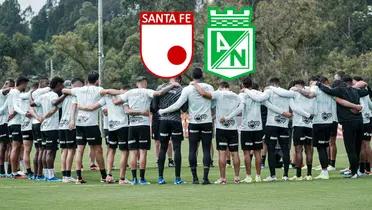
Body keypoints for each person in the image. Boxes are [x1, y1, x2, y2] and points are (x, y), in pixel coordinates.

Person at [110, 76, 176, 185]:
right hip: (143, 126)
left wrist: (126, 105)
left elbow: (116, 101)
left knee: (133, 153)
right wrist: (172, 85)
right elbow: (159, 93)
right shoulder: (147, 91)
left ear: (137, 83)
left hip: (132, 126)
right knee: (143, 152)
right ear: (145, 82)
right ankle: (142, 179)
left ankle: (134, 179)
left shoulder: (129, 93)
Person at [159, 68, 215, 185]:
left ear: (192, 76)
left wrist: (163, 111)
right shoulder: (209, 87)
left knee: (192, 149)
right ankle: (205, 178)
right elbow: (213, 103)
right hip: (207, 122)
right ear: (202, 75)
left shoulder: (188, 89)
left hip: (194, 123)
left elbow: (178, 105)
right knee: (206, 149)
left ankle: (195, 178)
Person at [79, 85, 131, 184]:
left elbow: (92, 107)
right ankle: (122, 179)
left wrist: (80, 106)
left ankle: (108, 175)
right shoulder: (124, 96)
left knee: (111, 150)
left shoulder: (106, 97)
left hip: (111, 127)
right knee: (124, 152)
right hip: (123, 127)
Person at [62, 72, 107, 184]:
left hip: (80, 124)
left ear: (87, 80)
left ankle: (78, 177)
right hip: (91, 124)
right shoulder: (99, 89)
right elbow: (97, 105)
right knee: (98, 150)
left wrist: (73, 118)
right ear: (97, 80)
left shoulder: (78, 90)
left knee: (79, 150)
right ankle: (104, 176)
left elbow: (64, 91)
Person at [225, 77, 268, 183]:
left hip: (246, 128)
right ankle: (258, 176)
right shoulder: (258, 93)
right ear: (251, 84)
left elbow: (239, 108)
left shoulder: (242, 94)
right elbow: (266, 103)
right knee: (258, 152)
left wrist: (228, 117)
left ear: (243, 85)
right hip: (258, 127)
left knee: (247, 153)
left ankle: (248, 176)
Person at [154, 76, 186, 185]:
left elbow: (154, 105)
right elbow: (185, 108)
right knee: (177, 149)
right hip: (176, 121)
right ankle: (177, 178)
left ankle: (160, 178)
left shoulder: (160, 87)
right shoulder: (181, 90)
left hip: (163, 121)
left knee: (163, 148)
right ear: (180, 80)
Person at [261, 78, 294, 182]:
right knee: (285, 149)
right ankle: (285, 175)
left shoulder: (268, 91)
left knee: (271, 149)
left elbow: (262, 101)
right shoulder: (286, 92)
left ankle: (273, 175)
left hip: (271, 124)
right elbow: (292, 105)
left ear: (270, 84)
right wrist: (284, 113)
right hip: (284, 124)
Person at [35, 77, 66, 182]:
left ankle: (46, 175)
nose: (62, 88)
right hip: (51, 127)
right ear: (57, 85)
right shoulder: (53, 95)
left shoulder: (43, 96)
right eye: (62, 85)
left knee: (45, 151)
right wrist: (65, 95)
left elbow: (33, 104)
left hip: (43, 127)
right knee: (50, 152)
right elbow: (55, 102)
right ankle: (50, 176)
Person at [288, 80, 315, 181]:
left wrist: (306, 115)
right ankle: (309, 174)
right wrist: (309, 116)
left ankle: (298, 175)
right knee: (309, 150)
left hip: (299, 125)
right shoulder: (310, 92)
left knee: (298, 150)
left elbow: (294, 108)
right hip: (309, 125)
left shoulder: (293, 92)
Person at [58, 79, 83, 183]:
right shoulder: (75, 95)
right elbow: (73, 107)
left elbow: (57, 106)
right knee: (71, 151)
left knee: (64, 151)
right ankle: (67, 175)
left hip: (61, 125)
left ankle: (64, 175)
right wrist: (72, 121)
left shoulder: (64, 96)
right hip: (70, 125)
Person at [7, 76, 30, 179]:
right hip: (15, 123)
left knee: (17, 147)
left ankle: (16, 171)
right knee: (15, 148)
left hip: (12, 123)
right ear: (22, 83)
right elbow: (16, 107)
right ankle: (14, 173)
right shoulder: (15, 92)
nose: (26, 86)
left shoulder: (12, 92)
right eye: (26, 84)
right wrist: (25, 113)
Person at [30, 78, 50, 180]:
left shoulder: (33, 93)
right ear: (41, 84)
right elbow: (51, 88)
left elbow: (31, 107)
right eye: (47, 83)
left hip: (34, 123)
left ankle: (36, 174)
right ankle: (40, 174)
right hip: (41, 123)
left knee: (38, 150)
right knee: (43, 150)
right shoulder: (43, 91)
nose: (48, 85)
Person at [353, 76, 372, 175]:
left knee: (363, 145)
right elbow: (370, 105)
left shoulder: (356, 92)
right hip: (367, 120)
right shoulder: (365, 93)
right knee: (365, 145)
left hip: (363, 120)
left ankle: (363, 169)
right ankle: (366, 169)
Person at [0, 79, 15, 177]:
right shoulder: (2, 92)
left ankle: (7, 170)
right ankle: (4, 171)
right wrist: (13, 88)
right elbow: (6, 90)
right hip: (4, 122)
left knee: (8, 146)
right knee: (4, 147)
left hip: (7, 122)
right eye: (8, 84)